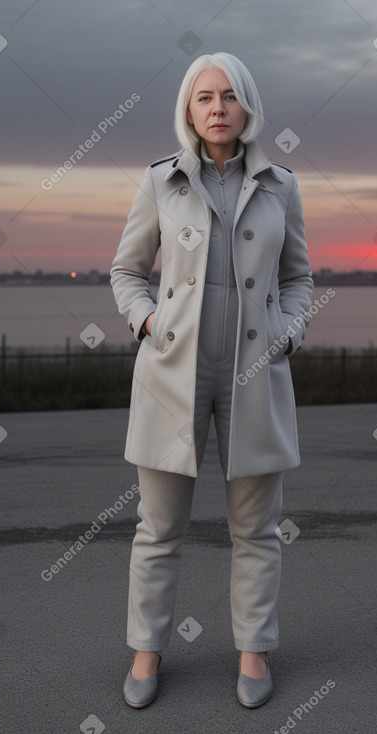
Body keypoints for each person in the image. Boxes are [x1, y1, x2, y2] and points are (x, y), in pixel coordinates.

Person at [110, 51, 313, 709]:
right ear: (189, 109)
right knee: (157, 526)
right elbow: (127, 271)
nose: (218, 108)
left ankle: (252, 652)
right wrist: (149, 326)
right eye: (205, 98)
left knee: (255, 528)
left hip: (254, 375)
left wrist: (285, 332)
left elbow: (297, 279)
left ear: (247, 105)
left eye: (228, 96)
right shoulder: (161, 182)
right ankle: (146, 652)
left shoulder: (282, 185)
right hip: (172, 374)